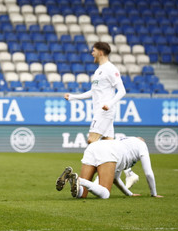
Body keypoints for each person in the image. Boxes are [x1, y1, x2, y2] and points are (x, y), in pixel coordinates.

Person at [63, 42, 139, 189]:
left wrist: (110, 104)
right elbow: (94, 92)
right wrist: (73, 97)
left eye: (94, 50)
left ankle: (87, 181)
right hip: (101, 111)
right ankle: (129, 173)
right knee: (109, 144)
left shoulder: (110, 69)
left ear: (101, 52)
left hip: (104, 112)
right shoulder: (98, 71)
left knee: (92, 141)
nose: (92, 53)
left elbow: (122, 90)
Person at [56, 137, 163, 199]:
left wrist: (129, 194)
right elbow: (148, 173)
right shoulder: (142, 145)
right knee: (105, 194)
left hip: (94, 146)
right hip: (108, 151)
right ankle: (79, 180)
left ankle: (72, 178)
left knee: (82, 194)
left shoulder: (125, 141)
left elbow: (115, 178)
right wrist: (154, 194)